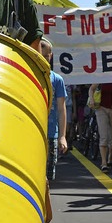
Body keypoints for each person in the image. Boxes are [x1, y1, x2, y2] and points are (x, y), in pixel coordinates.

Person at [41, 39, 68, 182]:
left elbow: (61, 109)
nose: (43, 59)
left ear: (50, 56)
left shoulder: (57, 79)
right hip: (34, 133)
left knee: (48, 177)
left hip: (51, 133)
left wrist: (62, 136)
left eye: (46, 56)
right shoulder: (29, 76)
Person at [88, 82, 112, 172]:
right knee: (104, 136)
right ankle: (104, 163)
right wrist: (92, 99)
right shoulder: (103, 75)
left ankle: (110, 157)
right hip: (101, 108)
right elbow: (91, 89)